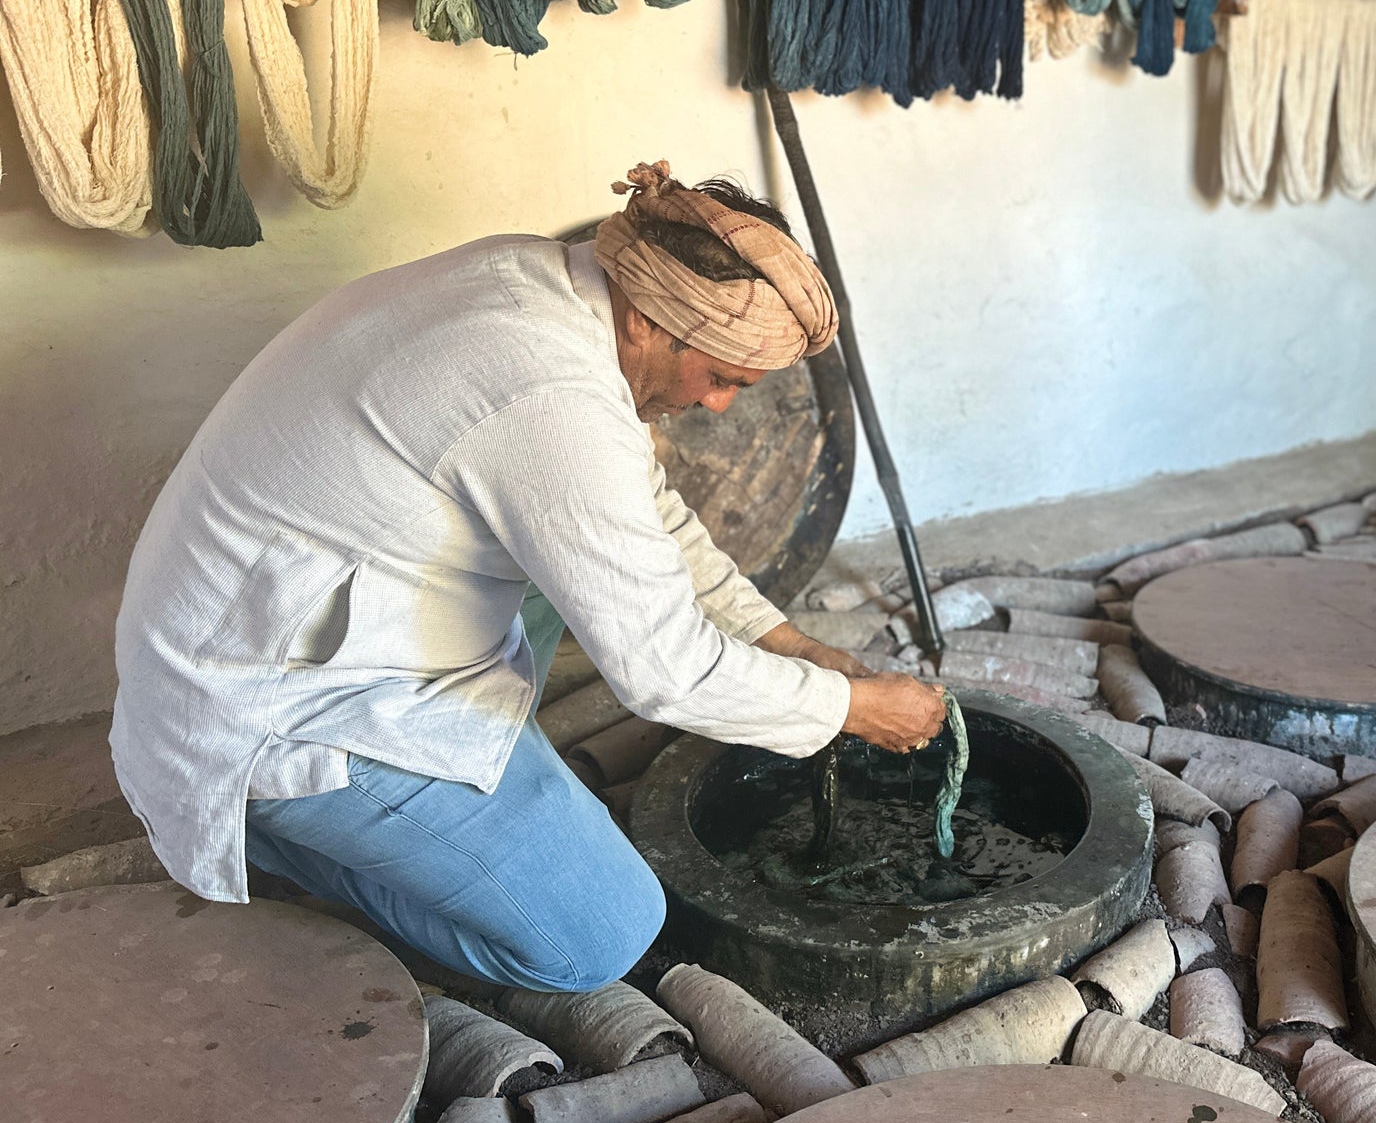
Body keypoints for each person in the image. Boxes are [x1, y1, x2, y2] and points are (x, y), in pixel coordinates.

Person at [110, 160, 947, 991]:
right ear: (649, 323)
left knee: (575, 574)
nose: (722, 406)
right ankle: (292, 842)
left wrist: (791, 644)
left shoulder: (543, 277)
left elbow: (642, 509)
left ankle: (429, 825)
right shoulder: (549, 395)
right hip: (278, 705)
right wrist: (854, 709)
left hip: (257, 627)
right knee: (603, 936)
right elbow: (668, 672)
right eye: (722, 378)